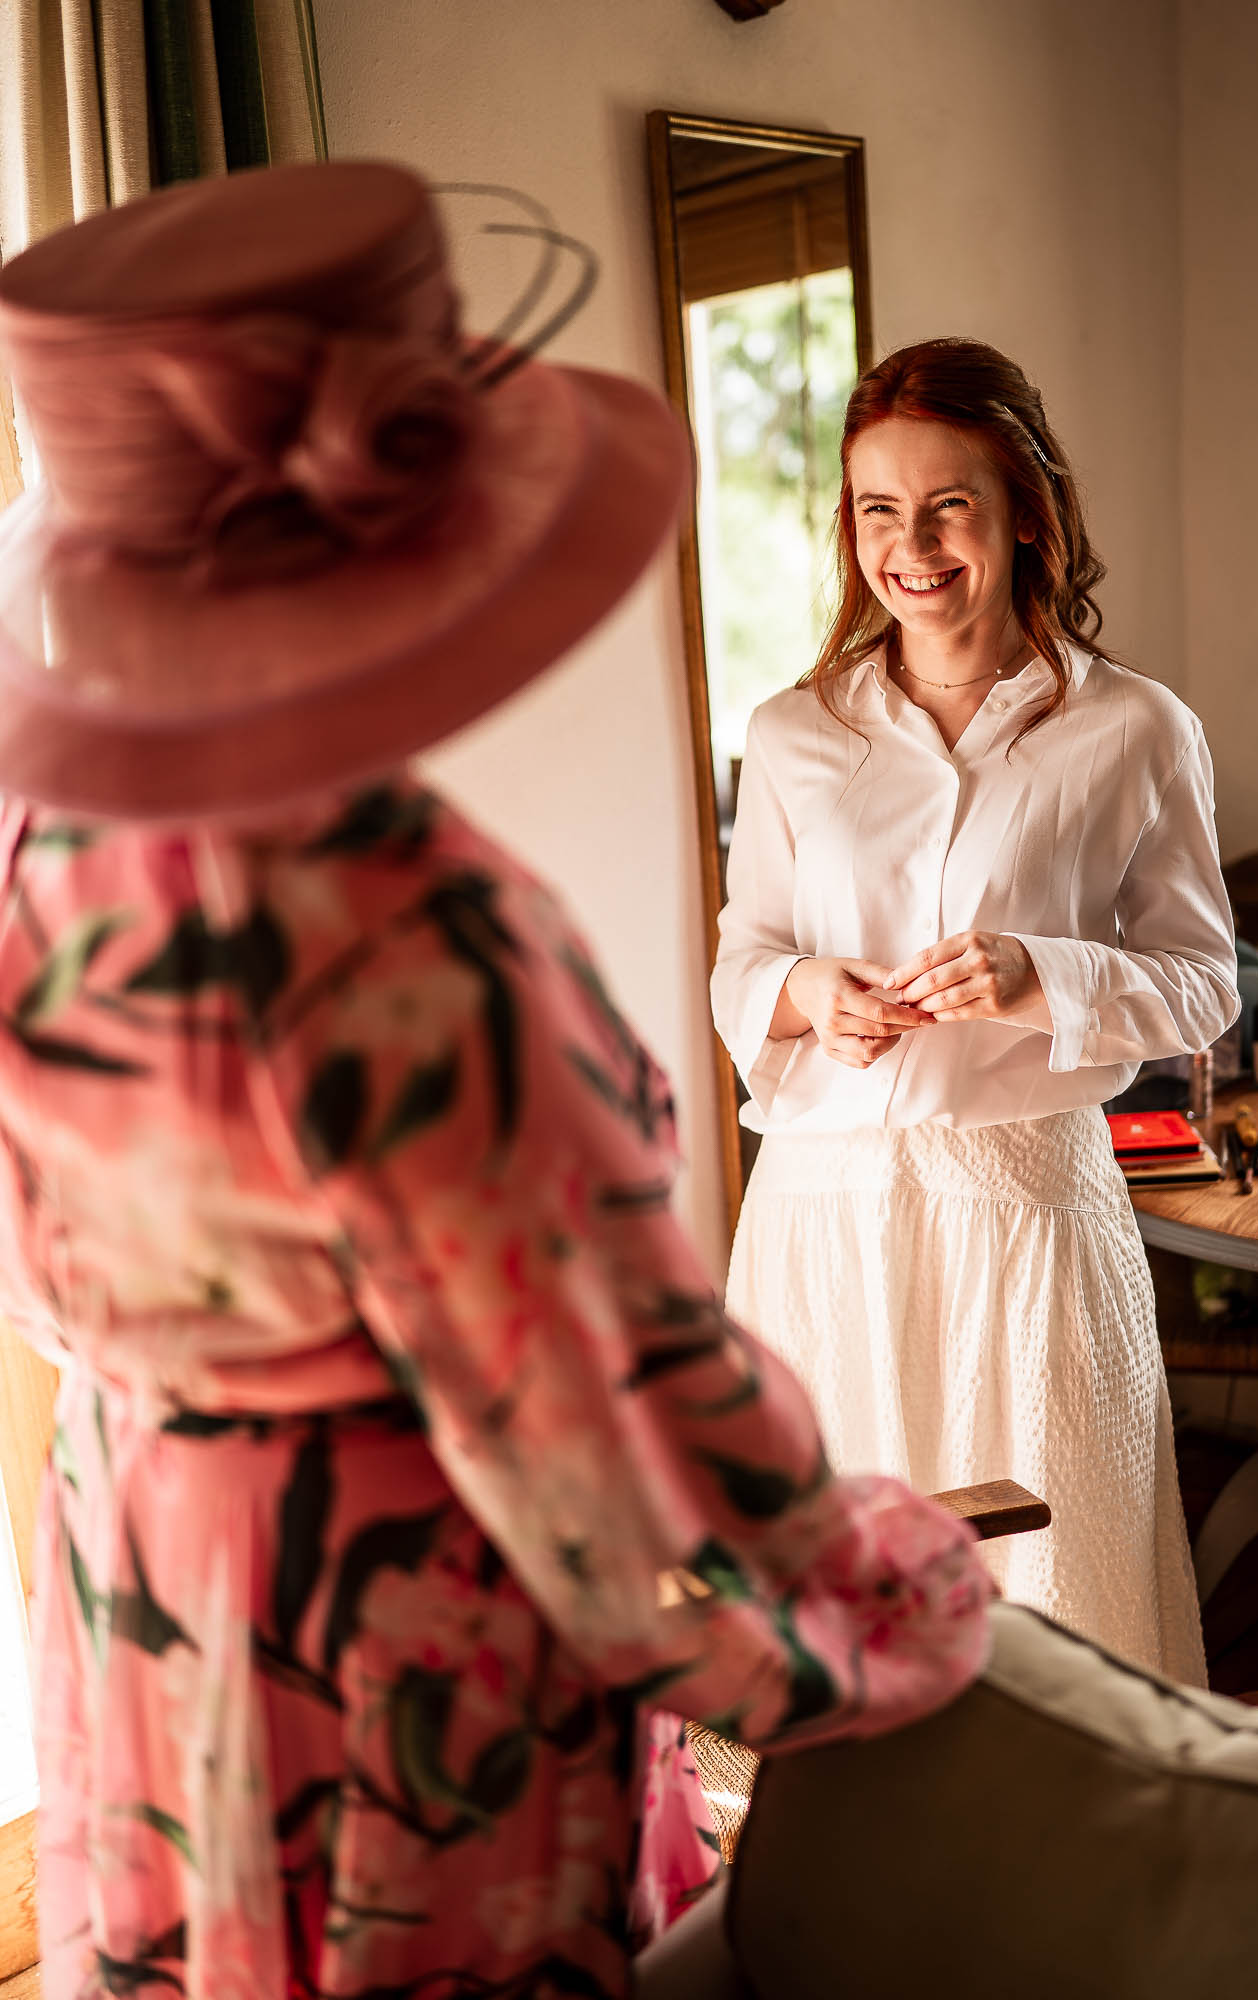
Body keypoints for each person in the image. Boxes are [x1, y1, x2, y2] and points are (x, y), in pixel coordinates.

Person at [0, 165, 992, 2000]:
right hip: (390, 1655)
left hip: (147, 1594)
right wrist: (898, 1594)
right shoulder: (412, 940)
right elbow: (617, 1453)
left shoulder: (48, 849)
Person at [712, 338, 1239, 1685]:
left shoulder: (1135, 729)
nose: (912, 545)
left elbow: (1196, 987)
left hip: (1027, 1213)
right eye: (877, 509)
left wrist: (1036, 977)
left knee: (1055, 1592)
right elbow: (740, 958)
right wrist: (796, 992)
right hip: (820, 1220)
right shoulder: (789, 734)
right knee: (831, 1597)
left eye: (948, 503)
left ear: (1020, 510)